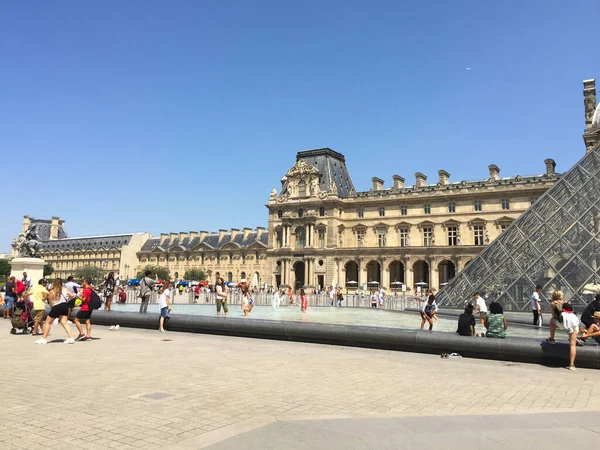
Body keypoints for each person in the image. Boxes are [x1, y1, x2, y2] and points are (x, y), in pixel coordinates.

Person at [35, 278, 76, 344]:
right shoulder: (65, 289)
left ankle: (44, 338)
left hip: (57, 306)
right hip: (65, 305)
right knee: (64, 322)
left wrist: (52, 309)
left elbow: (51, 302)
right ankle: (71, 338)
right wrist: (67, 301)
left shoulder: (52, 291)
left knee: (48, 322)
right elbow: (72, 295)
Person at [546, 301, 579, 370]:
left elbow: (554, 317)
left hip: (563, 324)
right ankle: (572, 365)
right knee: (572, 345)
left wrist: (554, 307)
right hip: (574, 327)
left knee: (552, 320)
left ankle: (552, 339)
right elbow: (576, 324)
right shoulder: (574, 315)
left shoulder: (562, 314)